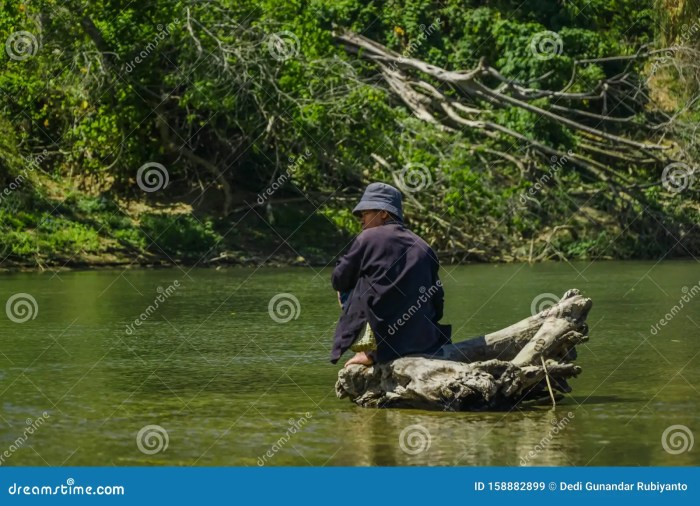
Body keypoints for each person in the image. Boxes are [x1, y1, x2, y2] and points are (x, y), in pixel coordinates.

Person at [330, 182, 452, 367]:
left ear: (384, 213)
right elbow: (438, 302)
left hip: (385, 348)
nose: (362, 221)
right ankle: (402, 343)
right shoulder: (424, 246)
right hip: (425, 341)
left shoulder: (367, 239)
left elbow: (338, 280)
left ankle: (367, 351)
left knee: (347, 288)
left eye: (365, 214)